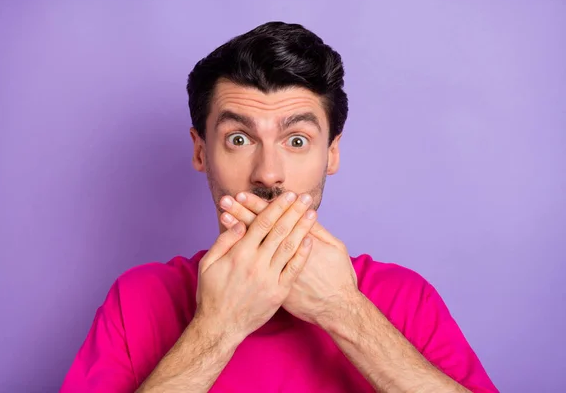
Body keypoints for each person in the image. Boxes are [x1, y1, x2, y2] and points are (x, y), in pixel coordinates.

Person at [60, 21, 498, 393]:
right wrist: (219, 326)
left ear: (331, 154)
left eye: (296, 141)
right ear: (200, 152)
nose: (268, 174)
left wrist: (342, 310)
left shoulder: (405, 298)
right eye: (238, 139)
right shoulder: (138, 299)